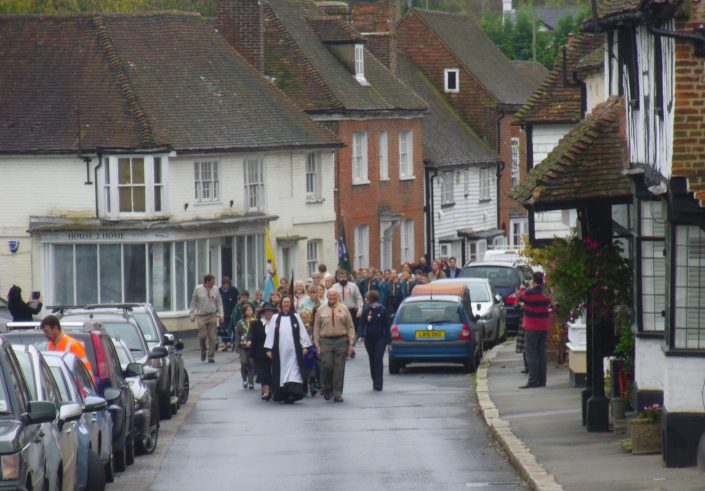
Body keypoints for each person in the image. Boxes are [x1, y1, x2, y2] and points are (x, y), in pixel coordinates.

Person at [264, 296, 312, 404]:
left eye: (288, 302)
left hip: (294, 351)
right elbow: (271, 334)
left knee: (294, 372)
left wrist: (305, 346)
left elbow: (302, 333)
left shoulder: (296, 317)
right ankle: (283, 394)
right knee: (282, 373)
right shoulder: (275, 318)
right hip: (280, 352)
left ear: (291, 304)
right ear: (281, 304)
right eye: (284, 302)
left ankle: (293, 394)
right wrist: (268, 349)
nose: (286, 304)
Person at [314, 289, 356, 402]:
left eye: (334, 295)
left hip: (341, 340)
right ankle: (327, 387)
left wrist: (351, 343)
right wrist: (317, 344)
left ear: (337, 296)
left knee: (339, 367)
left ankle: (337, 393)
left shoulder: (344, 308)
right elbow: (316, 328)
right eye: (330, 295)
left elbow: (350, 327)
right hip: (325, 341)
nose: (332, 297)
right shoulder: (321, 310)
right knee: (327, 365)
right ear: (327, 296)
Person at [518, 272, 551, 389]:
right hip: (543, 325)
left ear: (533, 280)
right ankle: (542, 380)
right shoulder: (546, 293)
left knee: (531, 354)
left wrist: (523, 289)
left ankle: (532, 380)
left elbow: (519, 298)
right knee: (541, 353)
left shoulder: (529, 293)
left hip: (532, 326)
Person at [356, 291, 391, 391]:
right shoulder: (366, 310)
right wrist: (360, 335)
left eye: (366, 298)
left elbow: (387, 326)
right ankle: (374, 381)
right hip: (369, 339)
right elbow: (362, 324)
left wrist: (389, 342)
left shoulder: (383, 309)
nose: (365, 300)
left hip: (381, 338)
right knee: (372, 359)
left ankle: (379, 383)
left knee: (378, 359)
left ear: (371, 299)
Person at [189, 274, 224, 363]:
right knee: (202, 336)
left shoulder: (215, 289)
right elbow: (193, 302)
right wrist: (192, 314)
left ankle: (211, 356)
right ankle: (203, 349)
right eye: (212, 281)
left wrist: (221, 314)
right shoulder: (198, 289)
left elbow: (219, 302)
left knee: (213, 337)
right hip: (201, 316)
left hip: (212, 315)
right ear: (207, 282)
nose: (214, 283)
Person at [251, 303, 276, 401]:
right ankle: (266, 391)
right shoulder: (257, 324)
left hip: (274, 350)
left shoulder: (276, 323)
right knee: (264, 371)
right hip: (261, 351)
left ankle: (273, 389)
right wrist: (252, 355)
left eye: (270, 311)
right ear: (263, 313)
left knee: (274, 371)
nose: (268, 313)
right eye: (266, 312)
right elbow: (254, 339)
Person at [235, 304, 256, 389]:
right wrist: (237, 346)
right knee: (244, 362)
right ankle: (244, 378)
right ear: (244, 312)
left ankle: (251, 381)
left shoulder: (255, 321)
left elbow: (256, 334)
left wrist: (253, 342)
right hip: (242, 346)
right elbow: (237, 334)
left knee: (251, 363)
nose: (249, 312)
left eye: (250, 310)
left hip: (252, 346)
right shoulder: (240, 322)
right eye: (247, 310)